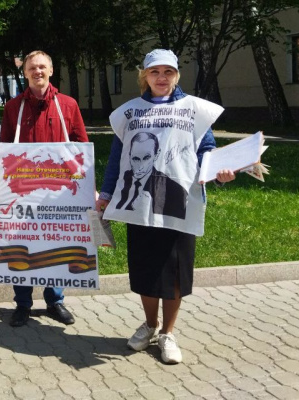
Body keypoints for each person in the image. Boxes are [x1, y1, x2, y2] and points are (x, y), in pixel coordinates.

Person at [97, 49, 235, 365]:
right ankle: (150, 325)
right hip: (140, 208)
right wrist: (106, 193)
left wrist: (219, 173)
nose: (162, 78)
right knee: (146, 269)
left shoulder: (194, 110)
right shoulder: (128, 113)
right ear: (144, 76)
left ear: (176, 76)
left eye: (168, 72)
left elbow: (207, 152)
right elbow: (118, 159)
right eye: (155, 72)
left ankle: (168, 334)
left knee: (174, 271)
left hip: (179, 203)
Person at [0, 50, 87, 328]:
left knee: (55, 243)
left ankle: (55, 301)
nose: (37, 72)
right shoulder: (14, 107)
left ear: (51, 70)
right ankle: (23, 304)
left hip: (58, 190)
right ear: (25, 73)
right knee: (22, 244)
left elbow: (81, 146)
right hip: (22, 190)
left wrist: (86, 185)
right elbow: (4, 148)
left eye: (42, 67)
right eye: (32, 68)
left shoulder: (68, 105)